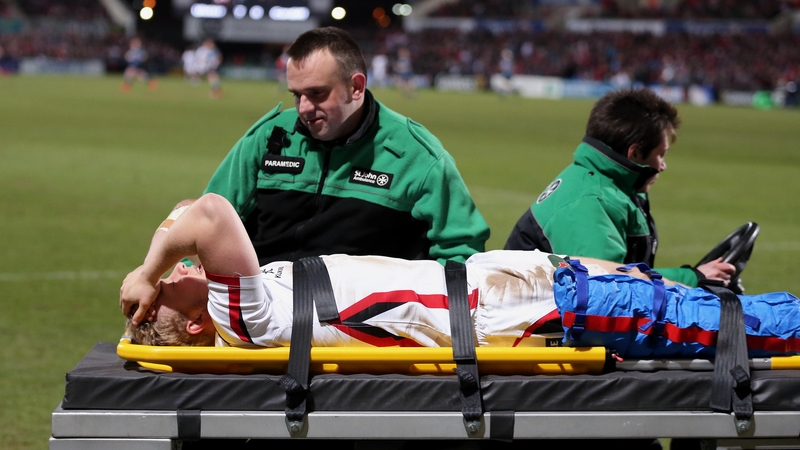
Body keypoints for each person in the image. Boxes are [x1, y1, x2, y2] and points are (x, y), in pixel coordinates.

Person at [120, 194, 673, 347]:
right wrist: (148, 272)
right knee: (670, 309)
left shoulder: (242, 306)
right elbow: (209, 213)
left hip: (475, 284)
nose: (174, 272)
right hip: (486, 308)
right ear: (196, 322)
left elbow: (184, 208)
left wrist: (147, 278)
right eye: (169, 288)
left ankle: (702, 286)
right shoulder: (240, 318)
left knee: (641, 280)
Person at [203, 27, 489, 266]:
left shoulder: (415, 155)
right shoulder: (269, 137)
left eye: (317, 93)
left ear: (356, 86)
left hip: (363, 328)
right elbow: (209, 218)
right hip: (262, 319)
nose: (304, 108)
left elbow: (461, 251)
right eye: (296, 95)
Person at [504, 87, 735, 288]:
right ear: (634, 153)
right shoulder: (590, 200)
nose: (663, 166)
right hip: (536, 333)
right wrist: (691, 278)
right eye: (661, 154)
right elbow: (605, 287)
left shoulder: (606, 185)